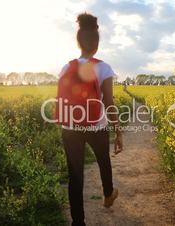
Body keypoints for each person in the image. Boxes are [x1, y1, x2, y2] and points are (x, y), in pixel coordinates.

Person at [57, 13, 123, 226]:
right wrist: (118, 130)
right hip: (96, 125)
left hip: (70, 127)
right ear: (96, 43)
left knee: (75, 176)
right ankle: (107, 194)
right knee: (103, 160)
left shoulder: (66, 67)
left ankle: (78, 222)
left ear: (79, 42)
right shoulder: (103, 67)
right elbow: (109, 103)